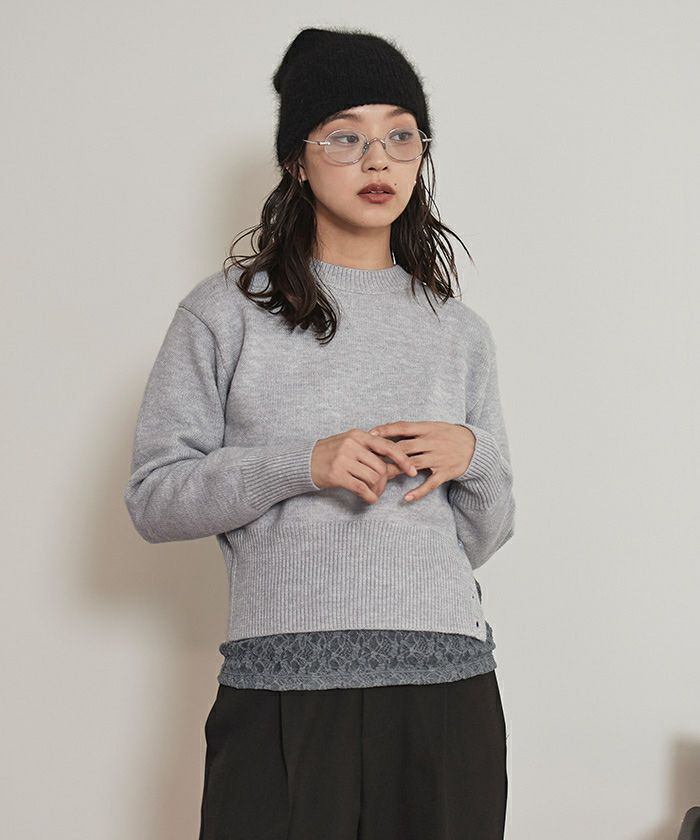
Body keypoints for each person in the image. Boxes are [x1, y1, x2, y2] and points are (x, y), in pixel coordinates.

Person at [123, 25, 516, 840]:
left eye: (401, 136)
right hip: (283, 690)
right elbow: (155, 499)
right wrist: (302, 464)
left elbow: (484, 535)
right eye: (345, 137)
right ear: (297, 161)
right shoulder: (224, 313)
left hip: (447, 690)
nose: (379, 161)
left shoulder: (459, 331)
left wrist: (473, 456)